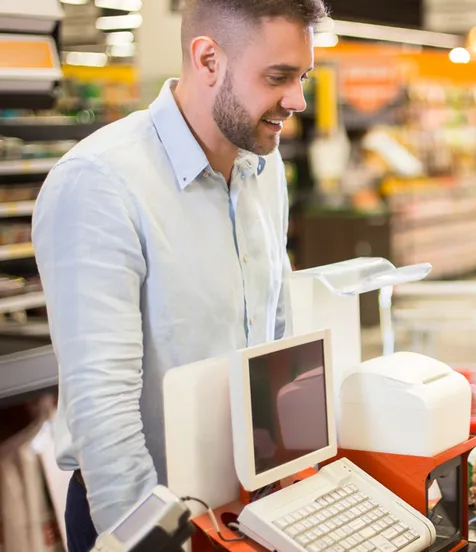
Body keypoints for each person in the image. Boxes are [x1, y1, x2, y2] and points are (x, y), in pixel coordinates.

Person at [32, 0, 327, 550]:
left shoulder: (264, 166)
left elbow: (274, 336)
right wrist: (154, 539)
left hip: (244, 505)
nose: (298, 100)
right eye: (278, 77)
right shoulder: (100, 185)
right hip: (145, 509)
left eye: (302, 76)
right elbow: (104, 407)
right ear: (208, 59)